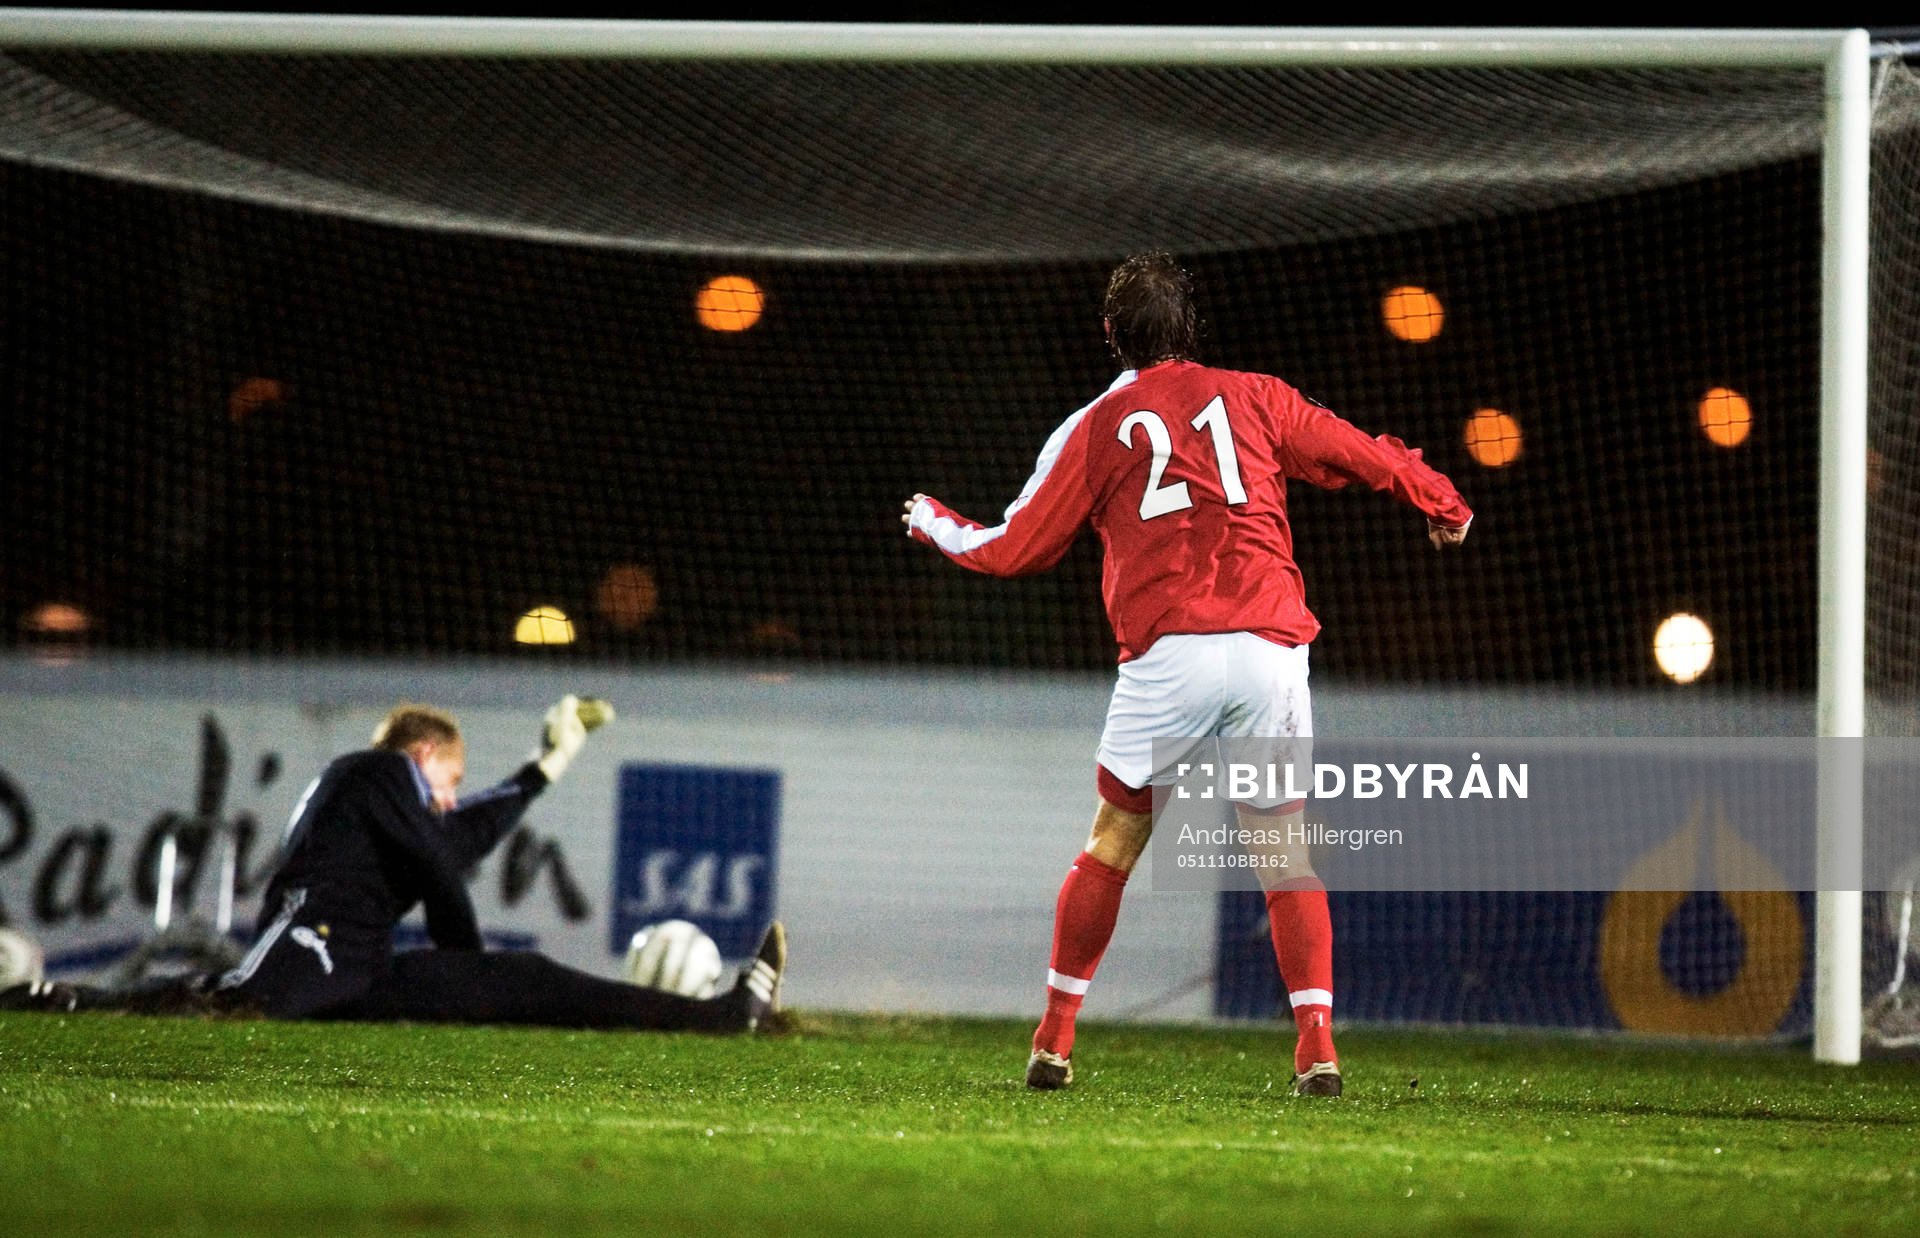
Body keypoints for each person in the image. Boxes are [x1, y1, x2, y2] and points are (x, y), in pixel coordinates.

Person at [901, 252, 1471, 1097]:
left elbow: (1016, 548)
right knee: (1283, 853)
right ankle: (1317, 1047)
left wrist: (937, 523)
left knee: (1113, 843)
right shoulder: (1256, 394)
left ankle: (1054, 1040)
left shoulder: (1094, 426)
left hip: (1172, 652)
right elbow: (1355, 451)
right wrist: (1441, 501)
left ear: (1110, 335)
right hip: (1272, 646)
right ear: (1191, 330)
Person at [2, 696, 785, 1033]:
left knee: (535, 980)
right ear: (421, 756)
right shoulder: (373, 771)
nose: (450, 801)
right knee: (232, 1007)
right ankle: (65, 1001)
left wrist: (540, 772)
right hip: (315, 936)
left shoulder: (393, 802)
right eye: (447, 784)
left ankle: (718, 1017)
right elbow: (444, 862)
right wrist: (468, 961)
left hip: (366, 971)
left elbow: (455, 842)